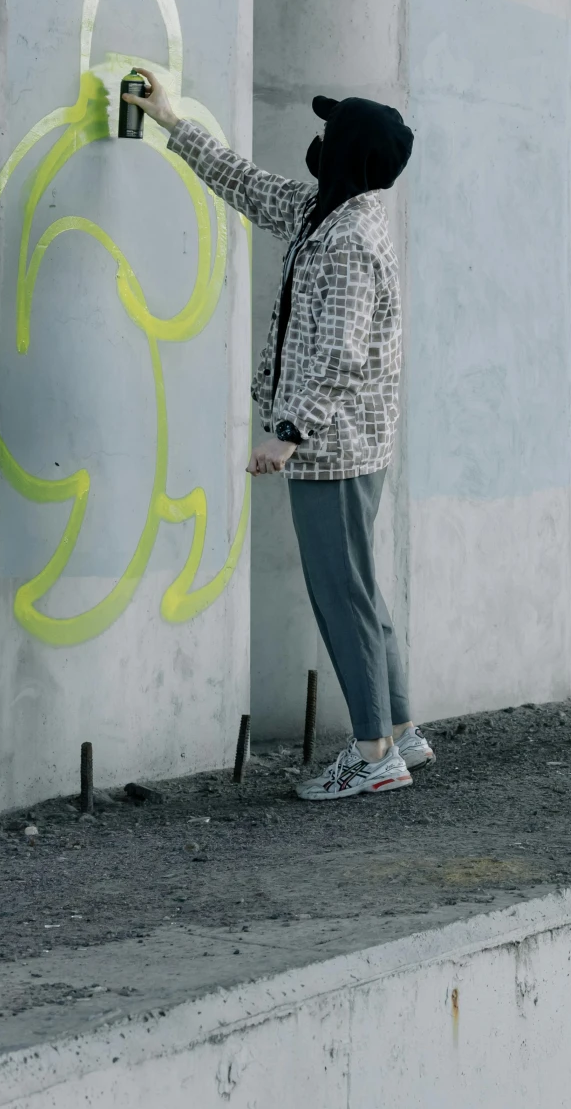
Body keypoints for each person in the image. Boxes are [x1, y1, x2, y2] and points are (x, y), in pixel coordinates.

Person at [123, 65, 429, 801]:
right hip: (349, 442)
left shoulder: (349, 239)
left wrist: (289, 432)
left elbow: (338, 349)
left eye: (328, 132)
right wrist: (170, 119)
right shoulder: (325, 210)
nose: (316, 140)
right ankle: (400, 726)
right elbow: (246, 183)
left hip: (334, 448)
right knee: (359, 588)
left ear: (348, 151)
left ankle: (373, 749)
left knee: (340, 594)